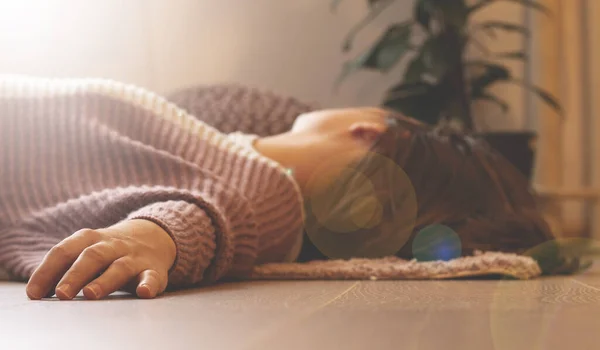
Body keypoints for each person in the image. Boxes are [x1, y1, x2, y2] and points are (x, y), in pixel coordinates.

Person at [0, 76, 555, 301]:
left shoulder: (271, 193)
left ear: (370, 128)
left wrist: (152, 237)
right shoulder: (245, 163)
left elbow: (210, 215)